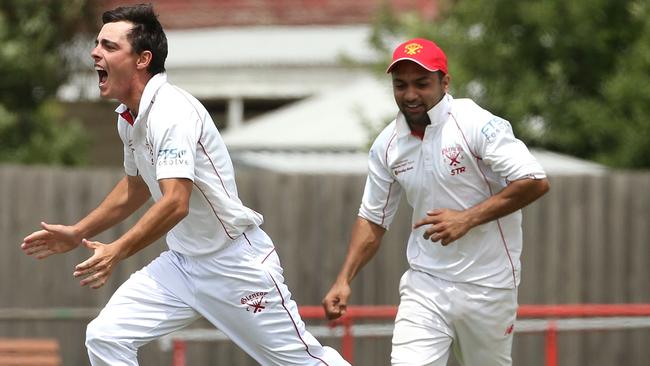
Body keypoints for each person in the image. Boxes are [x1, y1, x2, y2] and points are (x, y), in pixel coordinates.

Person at [20, 4, 349, 366]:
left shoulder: (172, 112)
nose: (95, 52)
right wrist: (77, 231)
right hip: (182, 263)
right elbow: (137, 187)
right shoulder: (129, 118)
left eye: (109, 47)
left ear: (143, 59)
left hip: (235, 264)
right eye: (97, 44)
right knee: (106, 336)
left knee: (303, 362)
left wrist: (117, 250)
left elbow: (176, 201)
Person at [322, 38, 550, 366]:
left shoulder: (475, 122)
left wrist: (466, 218)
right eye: (400, 85)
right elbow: (373, 218)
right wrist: (344, 279)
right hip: (425, 283)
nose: (410, 94)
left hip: (489, 285)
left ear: (445, 82)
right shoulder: (387, 145)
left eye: (422, 83)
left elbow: (534, 181)